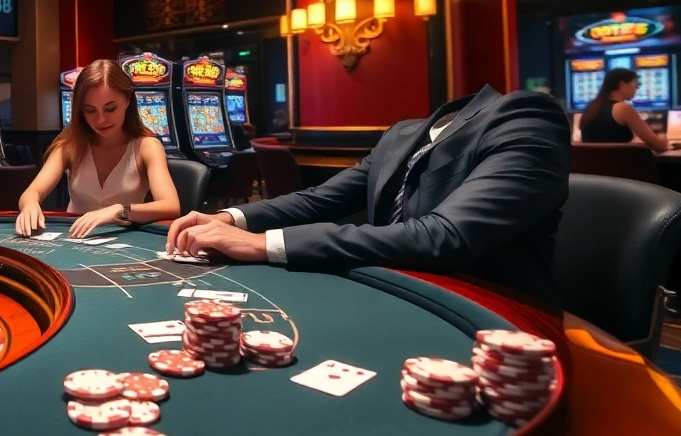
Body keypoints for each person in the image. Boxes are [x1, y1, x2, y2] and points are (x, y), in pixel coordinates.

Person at [166, 85, 570, 304]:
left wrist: (261, 244)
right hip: (391, 289)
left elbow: (445, 235)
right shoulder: (402, 134)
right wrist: (228, 218)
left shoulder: (524, 117)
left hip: (492, 310)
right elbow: (319, 199)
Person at [17, 59, 181, 238]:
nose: (100, 120)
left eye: (110, 109)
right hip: (74, 238)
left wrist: (120, 210)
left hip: (125, 240)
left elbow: (171, 206)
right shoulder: (70, 145)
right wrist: (30, 205)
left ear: (127, 100)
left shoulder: (147, 147)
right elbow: (32, 192)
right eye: (90, 110)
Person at [579, 68, 669, 152]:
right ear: (622, 84)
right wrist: (662, 137)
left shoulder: (591, 107)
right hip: (617, 163)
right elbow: (659, 146)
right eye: (635, 85)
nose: (636, 89)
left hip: (591, 164)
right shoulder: (623, 108)